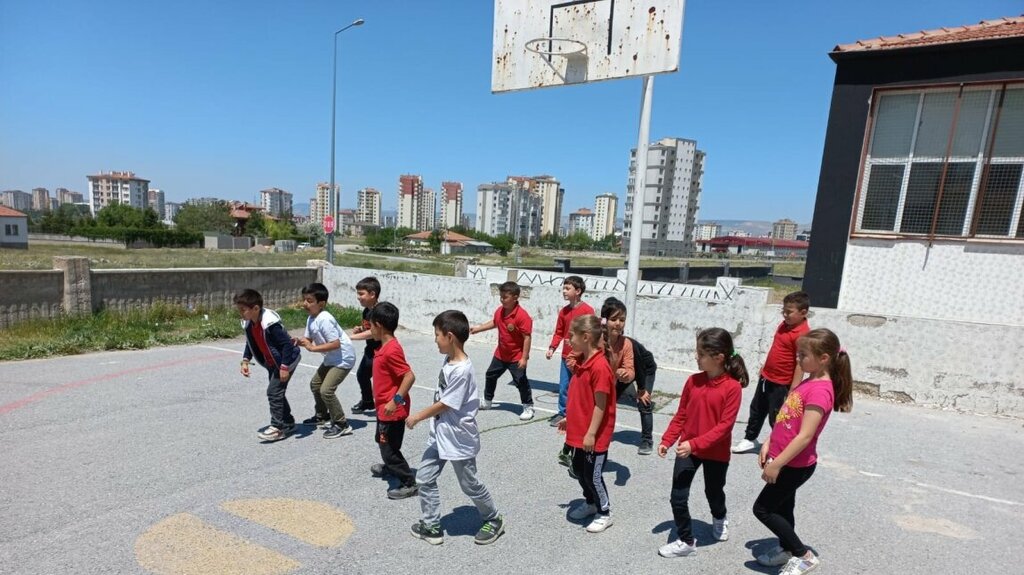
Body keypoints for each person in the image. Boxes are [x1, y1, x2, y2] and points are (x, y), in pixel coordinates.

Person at [752, 328, 852, 575]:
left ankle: (803, 556)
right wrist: (768, 442)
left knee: (763, 509)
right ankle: (787, 548)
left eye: (803, 355)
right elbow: (787, 418)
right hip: (784, 459)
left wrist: (777, 464)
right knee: (783, 508)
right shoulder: (809, 381)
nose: (798, 359)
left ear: (824, 358)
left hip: (795, 465)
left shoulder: (820, 391)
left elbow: (805, 435)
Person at [407, 310, 505, 546]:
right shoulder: (450, 360)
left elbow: (447, 403)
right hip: (440, 433)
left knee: (469, 484)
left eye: (437, 335)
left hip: (458, 437)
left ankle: (493, 518)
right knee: (424, 478)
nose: (435, 340)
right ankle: (431, 525)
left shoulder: (462, 370)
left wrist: (418, 417)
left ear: (449, 337)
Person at [657, 328, 748, 558]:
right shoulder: (693, 381)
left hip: (715, 452)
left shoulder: (732, 387)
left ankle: (719, 517)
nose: (696, 357)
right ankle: (686, 541)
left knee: (713, 492)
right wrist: (668, 439)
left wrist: (694, 444)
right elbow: (681, 415)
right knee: (678, 496)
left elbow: (724, 427)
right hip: (688, 449)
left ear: (718, 358)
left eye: (701, 354)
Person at [558, 315, 616, 534]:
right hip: (581, 431)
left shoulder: (599, 367)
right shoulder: (582, 362)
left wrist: (591, 434)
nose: (569, 339)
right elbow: (581, 399)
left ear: (586, 337)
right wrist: (570, 419)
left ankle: (604, 512)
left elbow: (600, 405)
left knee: (593, 475)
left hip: (594, 435)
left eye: (572, 335)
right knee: (579, 470)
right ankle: (590, 502)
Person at [733, 291, 811, 454]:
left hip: (782, 383)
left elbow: (800, 364)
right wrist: (765, 367)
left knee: (777, 416)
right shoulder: (784, 325)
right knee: (757, 408)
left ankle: (779, 446)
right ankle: (750, 439)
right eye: (783, 310)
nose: (785, 314)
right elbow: (777, 348)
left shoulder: (803, 334)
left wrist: (793, 389)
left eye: (789, 312)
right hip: (767, 377)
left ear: (803, 312)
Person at [366, 301, 418, 500]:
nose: (369, 330)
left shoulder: (391, 350)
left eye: (371, 326)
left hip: (392, 410)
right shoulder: (385, 345)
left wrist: (395, 401)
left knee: (389, 449)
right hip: (383, 409)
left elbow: (409, 376)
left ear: (379, 325)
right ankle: (391, 467)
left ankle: (409, 482)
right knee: (383, 441)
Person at [235, 288, 302, 442]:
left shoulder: (270, 324)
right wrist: (245, 360)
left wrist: (284, 367)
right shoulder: (250, 323)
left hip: (286, 361)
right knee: (277, 392)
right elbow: (250, 343)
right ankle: (288, 423)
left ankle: (278, 427)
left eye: (243, 310)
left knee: (273, 392)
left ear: (255, 308)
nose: (240, 313)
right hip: (273, 362)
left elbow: (287, 345)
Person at [294, 282, 355, 439]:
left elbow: (335, 343)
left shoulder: (325, 319)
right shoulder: (311, 318)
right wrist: (298, 341)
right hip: (332, 358)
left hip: (343, 358)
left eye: (309, 301)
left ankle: (341, 424)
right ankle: (322, 416)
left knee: (326, 390)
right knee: (315, 384)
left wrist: (313, 348)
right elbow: (308, 339)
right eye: (304, 299)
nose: (305, 304)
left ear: (321, 304)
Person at [469, 281, 535, 421]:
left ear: (515, 297)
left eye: (505, 297)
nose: (502, 300)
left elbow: (527, 338)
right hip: (501, 354)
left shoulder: (522, 316)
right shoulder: (500, 310)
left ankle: (528, 406)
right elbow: (495, 322)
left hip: (516, 356)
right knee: (490, 375)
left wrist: (524, 358)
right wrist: (478, 329)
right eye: (501, 297)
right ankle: (487, 401)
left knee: (520, 381)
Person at [600, 296, 658, 455]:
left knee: (644, 402)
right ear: (604, 320)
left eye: (622, 320)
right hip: (625, 371)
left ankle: (647, 440)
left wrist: (642, 389)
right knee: (607, 401)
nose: (618, 323)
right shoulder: (599, 340)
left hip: (644, 369)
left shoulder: (627, 344)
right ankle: (600, 431)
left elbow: (639, 368)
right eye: (614, 319)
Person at [546, 276, 595, 429]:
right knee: (564, 387)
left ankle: (581, 415)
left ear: (578, 291)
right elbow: (559, 332)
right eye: (563, 288)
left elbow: (592, 333)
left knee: (581, 387)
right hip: (566, 357)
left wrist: (581, 345)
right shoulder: (564, 312)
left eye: (568, 288)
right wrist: (552, 348)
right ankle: (563, 413)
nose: (564, 291)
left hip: (582, 358)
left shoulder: (587, 310)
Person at [349, 276, 381, 414]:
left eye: (361, 294)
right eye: (358, 294)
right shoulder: (366, 311)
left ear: (372, 294)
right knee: (362, 375)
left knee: (383, 379)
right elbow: (368, 328)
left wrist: (352, 337)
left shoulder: (379, 311)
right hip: (370, 349)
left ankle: (391, 403)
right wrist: (360, 329)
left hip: (381, 350)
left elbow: (374, 333)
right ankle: (368, 402)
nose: (358, 297)